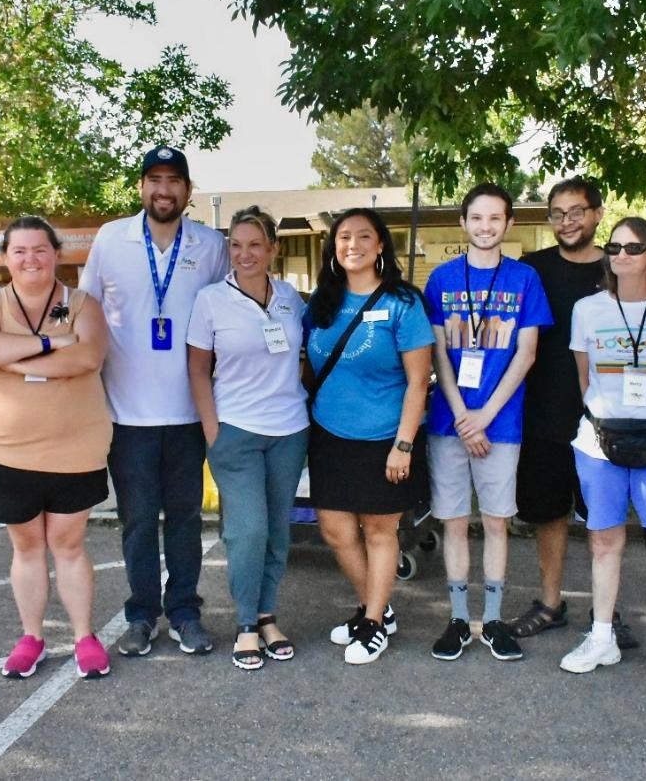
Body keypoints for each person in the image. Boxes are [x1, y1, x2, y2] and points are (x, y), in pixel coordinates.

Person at [79, 146, 228, 658]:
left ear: (188, 190)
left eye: (174, 181)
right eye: (155, 180)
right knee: (139, 521)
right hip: (127, 414)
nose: (164, 190)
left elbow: (225, 317)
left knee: (185, 520)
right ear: (141, 187)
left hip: (189, 413)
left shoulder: (211, 245)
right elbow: (86, 312)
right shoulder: (111, 238)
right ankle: (141, 615)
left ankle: (185, 612)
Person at [0, 215, 112, 679]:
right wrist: (52, 342)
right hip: (4, 449)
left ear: (56, 254)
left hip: (75, 447)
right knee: (27, 546)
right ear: (5, 257)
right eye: (20, 251)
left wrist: (16, 359)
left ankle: (84, 637)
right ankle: (32, 638)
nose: (31, 259)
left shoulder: (82, 305)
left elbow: (87, 357)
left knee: (69, 544)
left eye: (40, 249)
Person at [559, 217, 646, 686]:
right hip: (599, 441)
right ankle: (602, 637)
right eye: (614, 247)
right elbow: (584, 377)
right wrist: (609, 414)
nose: (621, 255)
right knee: (604, 540)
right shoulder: (588, 310)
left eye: (633, 248)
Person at [424, 183, 551, 662]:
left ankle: (493, 620)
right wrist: (463, 416)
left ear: (509, 223)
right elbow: (438, 351)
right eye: (476, 218)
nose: (485, 227)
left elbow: (527, 352)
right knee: (455, 523)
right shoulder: (441, 278)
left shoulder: (524, 279)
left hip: (501, 423)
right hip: (449, 423)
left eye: (495, 218)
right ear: (463, 223)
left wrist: (485, 416)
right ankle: (459, 620)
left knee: (497, 522)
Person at [509, 177, 638, 650]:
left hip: (606, 417)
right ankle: (550, 605)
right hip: (543, 413)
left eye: (576, 212)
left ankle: (608, 613)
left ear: (598, 214)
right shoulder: (533, 269)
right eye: (558, 213)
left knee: (603, 518)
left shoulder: (618, 267)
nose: (567, 222)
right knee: (549, 514)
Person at [305, 207, 434, 665]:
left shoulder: (403, 302)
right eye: (344, 236)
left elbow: (418, 382)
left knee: (380, 531)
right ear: (333, 246)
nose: (353, 245)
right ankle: (377, 608)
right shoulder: (320, 302)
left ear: (380, 245)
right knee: (335, 530)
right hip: (329, 435)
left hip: (386, 437)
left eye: (364, 236)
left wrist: (404, 444)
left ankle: (373, 623)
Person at [186, 206, 309, 671]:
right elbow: (198, 370)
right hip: (235, 430)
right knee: (247, 530)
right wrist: (212, 430)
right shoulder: (211, 300)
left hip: (288, 430)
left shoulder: (291, 298)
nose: (245, 254)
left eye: (255, 245)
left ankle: (267, 616)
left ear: (273, 249)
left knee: (278, 530)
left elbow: (304, 355)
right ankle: (244, 625)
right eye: (236, 245)